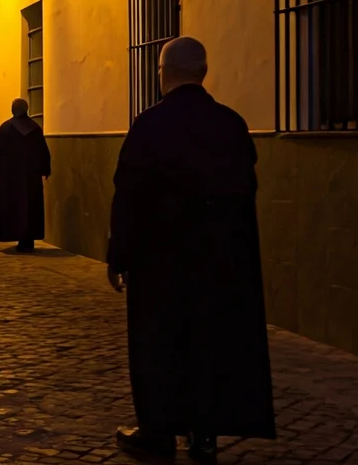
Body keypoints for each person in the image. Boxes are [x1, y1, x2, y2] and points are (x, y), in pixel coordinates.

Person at [108, 37, 275, 464]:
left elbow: (129, 194)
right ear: (203, 72)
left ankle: (157, 432)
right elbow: (245, 191)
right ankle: (205, 435)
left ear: (163, 74)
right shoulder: (231, 124)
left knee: (158, 346)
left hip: (160, 263)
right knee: (211, 346)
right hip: (220, 262)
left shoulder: (150, 124)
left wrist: (120, 254)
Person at [0, 98, 51, 253]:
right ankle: (28, 239)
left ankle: (17, 235)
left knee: (14, 206)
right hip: (31, 177)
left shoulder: (6, 128)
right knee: (30, 207)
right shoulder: (35, 128)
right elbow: (43, 151)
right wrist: (45, 170)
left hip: (10, 177)